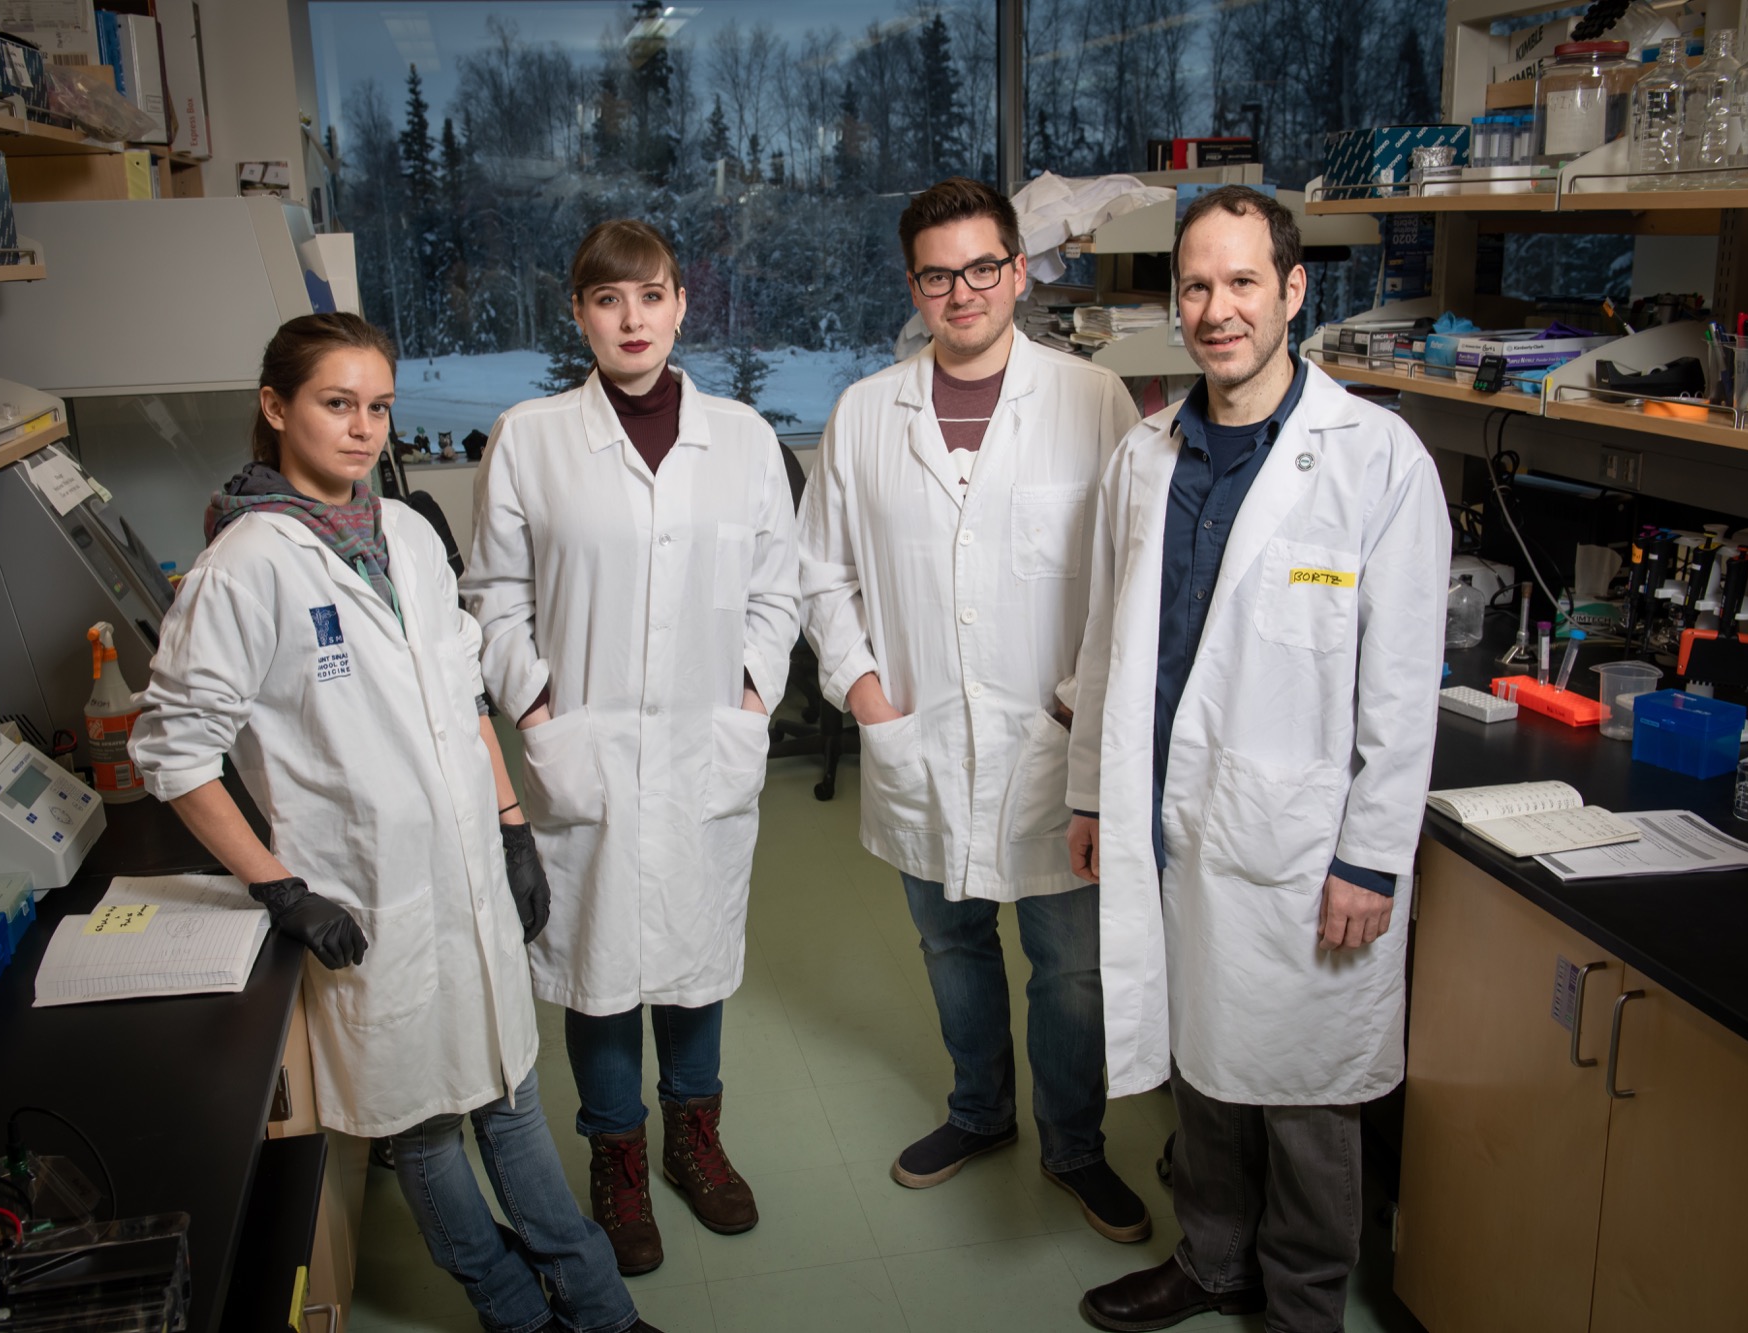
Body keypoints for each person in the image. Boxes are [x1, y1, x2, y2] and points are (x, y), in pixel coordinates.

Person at [130, 312, 660, 1333]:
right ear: (276, 408)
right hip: (364, 890)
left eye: (378, 406)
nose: (363, 428)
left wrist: (510, 828)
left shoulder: (408, 532)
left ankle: (597, 1308)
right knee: (420, 1129)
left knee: (507, 1091)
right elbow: (171, 751)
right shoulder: (245, 564)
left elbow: (463, 697)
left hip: (464, 867)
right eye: (337, 403)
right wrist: (277, 886)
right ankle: (515, 1312)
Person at [1064, 186, 1448, 1332]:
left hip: (1300, 843)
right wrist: (1090, 790)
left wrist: (1370, 860)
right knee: (1205, 1068)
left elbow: (1398, 689)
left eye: (1241, 282)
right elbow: (1102, 635)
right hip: (1166, 820)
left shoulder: (1374, 461)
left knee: (1305, 1094)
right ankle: (1212, 1261)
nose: (1215, 309)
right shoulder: (1146, 456)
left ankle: (1298, 1304)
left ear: (1291, 291)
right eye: (1195, 284)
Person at [796, 177, 1148, 1241]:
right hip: (919, 742)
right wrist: (869, 699)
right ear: (914, 284)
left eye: (983, 267)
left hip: (1053, 746)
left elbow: (1127, 577)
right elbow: (818, 575)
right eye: (939, 274)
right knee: (950, 945)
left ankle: (1075, 1146)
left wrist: (1066, 702)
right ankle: (980, 1113)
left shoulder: (1094, 402)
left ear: (1019, 269)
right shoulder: (865, 412)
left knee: (1070, 966)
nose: (963, 291)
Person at [463, 220, 799, 1276]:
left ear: (680, 304)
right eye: (607, 302)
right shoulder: (529, 436)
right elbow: (494, 594)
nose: (631, 319)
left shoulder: (742, 437)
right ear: (579, 316)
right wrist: (538, 707)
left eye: (649, 296)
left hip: (705, 739)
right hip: (585, 744)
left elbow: (776, 590)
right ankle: (615, 1155)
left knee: (693, 956)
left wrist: (748, 693)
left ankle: (693, 1139)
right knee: (599, 961)